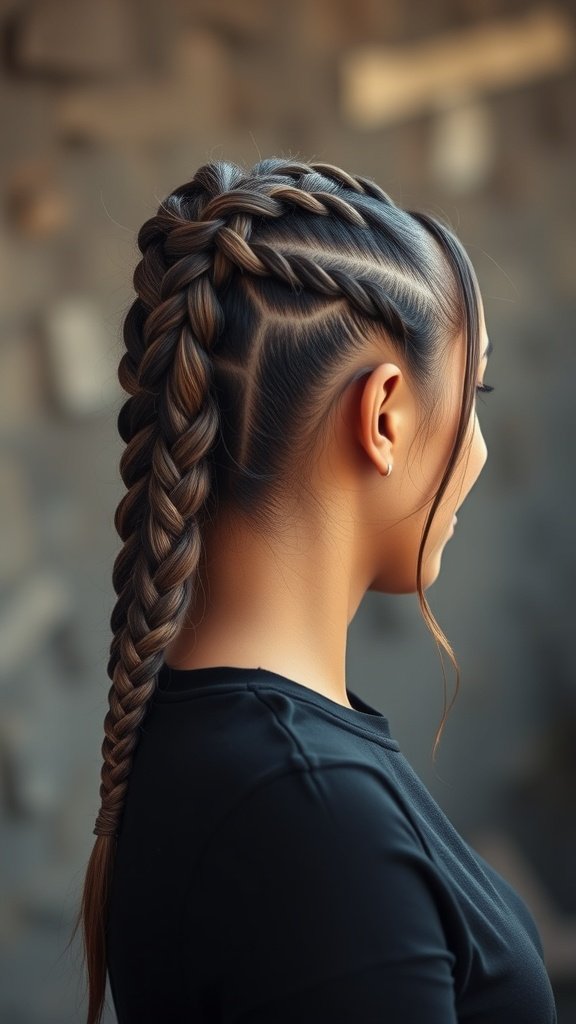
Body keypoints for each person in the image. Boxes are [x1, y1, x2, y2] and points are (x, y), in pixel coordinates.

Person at [70, 157, 557, 1023]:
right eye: (473, 390)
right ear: (384, 415)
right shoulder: (311, 812)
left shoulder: (237, 757)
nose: (478, 449)